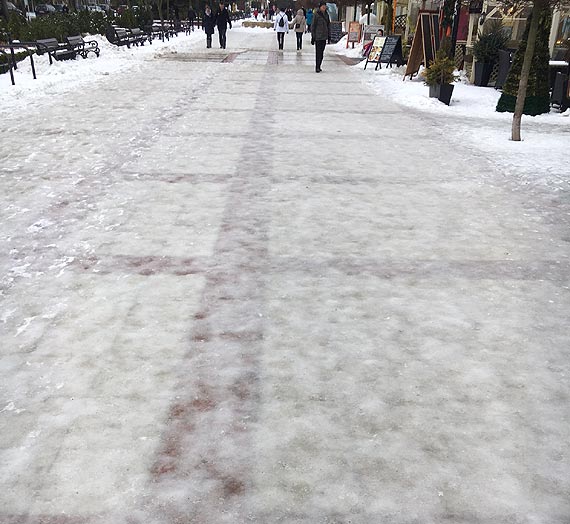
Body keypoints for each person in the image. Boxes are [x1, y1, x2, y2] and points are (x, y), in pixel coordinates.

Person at [311, 1, 330, 73]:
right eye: (323, 6)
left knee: (321, 52)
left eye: (325, 6)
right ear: (320, 7)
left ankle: (319, 65)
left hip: (324, 37)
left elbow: (328, 25)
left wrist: (329, 35)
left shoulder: (327, 15)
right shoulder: (316, 15)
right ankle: (317, 66)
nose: (324, 7)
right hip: (318, 37)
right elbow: (313, 26)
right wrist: (313, 37)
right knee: (318, 52)